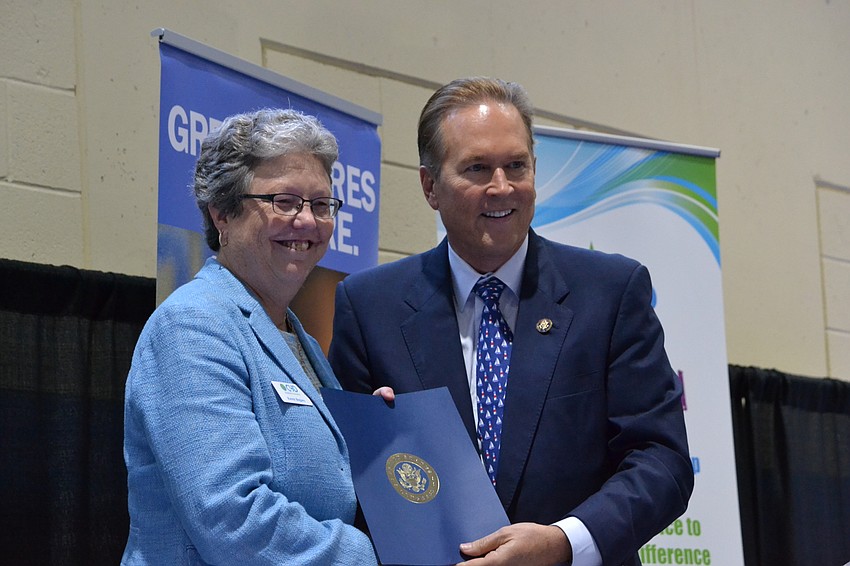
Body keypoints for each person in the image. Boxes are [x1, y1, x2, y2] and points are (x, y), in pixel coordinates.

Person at [329, 78, 694, 566]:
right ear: (429, 186)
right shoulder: (369, 306)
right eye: (477, 168)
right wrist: (374, 446)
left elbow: (662, 461)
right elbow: (342, 481)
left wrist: (565, 542)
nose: (502, 187)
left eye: (516, 165)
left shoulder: (610, 292)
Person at [122, 108, 379, 565]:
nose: (308, 222)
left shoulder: (293, 334)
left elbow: (322, 482)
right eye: (284, 201)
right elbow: (232, 519)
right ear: (221, 212)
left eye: (321, 204)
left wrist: (374, 433)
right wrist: (373, 557)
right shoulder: (193, 326)